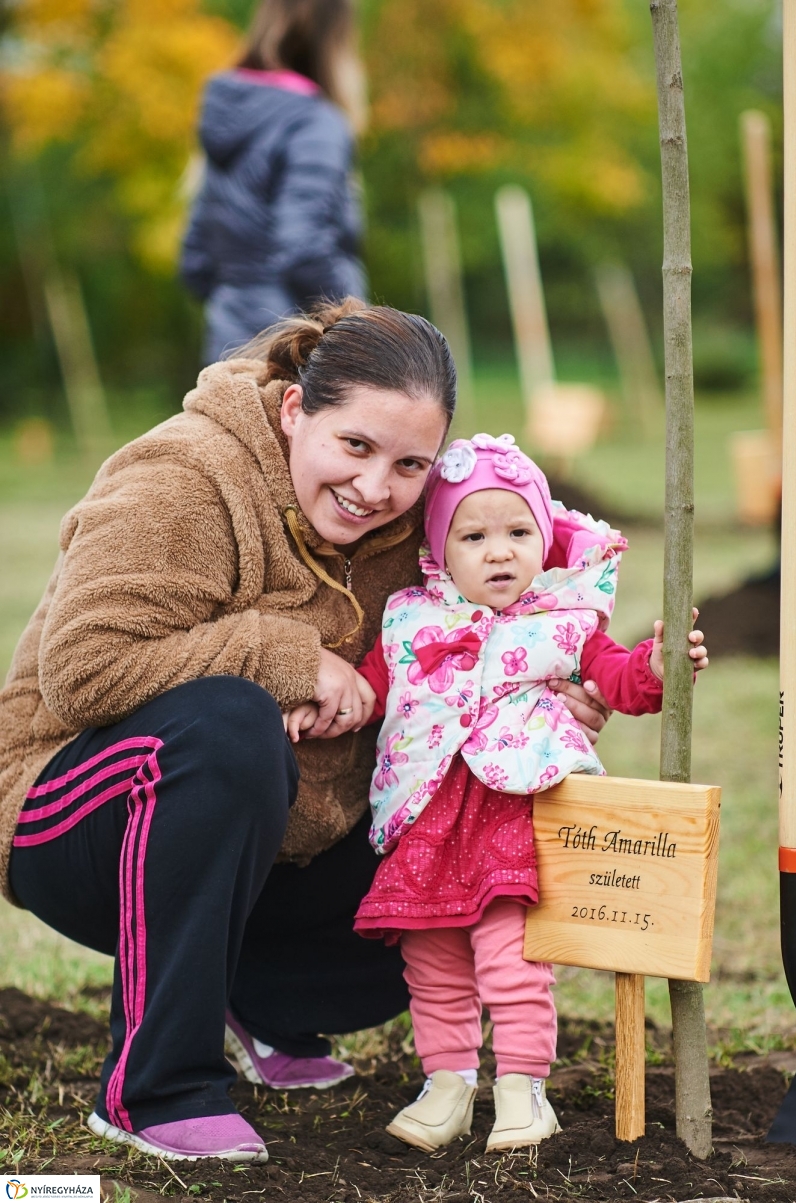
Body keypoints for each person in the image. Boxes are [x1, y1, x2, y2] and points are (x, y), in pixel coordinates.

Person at [0, 300, 610, 1163]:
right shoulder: (183, 476)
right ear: (295, 410)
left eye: (408, 464)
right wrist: (289, 656)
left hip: (277, 837)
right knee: (229, 723)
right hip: (71, 813)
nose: (374, 488)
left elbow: (473, 631)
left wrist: (539, 695)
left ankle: (250, 998)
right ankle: (153, 1086)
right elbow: (85, 665)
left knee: (435, 879)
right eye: (353, 446)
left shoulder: (415, 521)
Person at [286, 432, 709, 1155]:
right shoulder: (411, 620)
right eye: (474, 535)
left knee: (510, 957)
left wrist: (660, 666)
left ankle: (522, 1088)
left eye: (519, 532)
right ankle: (447, 1083)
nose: (500, 551)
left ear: (543, 541)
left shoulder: (564, 621)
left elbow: (618, 681)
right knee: (432, 960)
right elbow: (373, 691)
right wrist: (321, 704)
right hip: (425, 819)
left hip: (510, 814)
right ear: (440, 551)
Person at [180, 0, 367, 364]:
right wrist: (361, 329)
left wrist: (241, 300)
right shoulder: (315, 123)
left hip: (227, 355)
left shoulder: (227, 116)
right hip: (300, 358)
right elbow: (305, 246)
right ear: (335, 37)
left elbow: (196, 261)